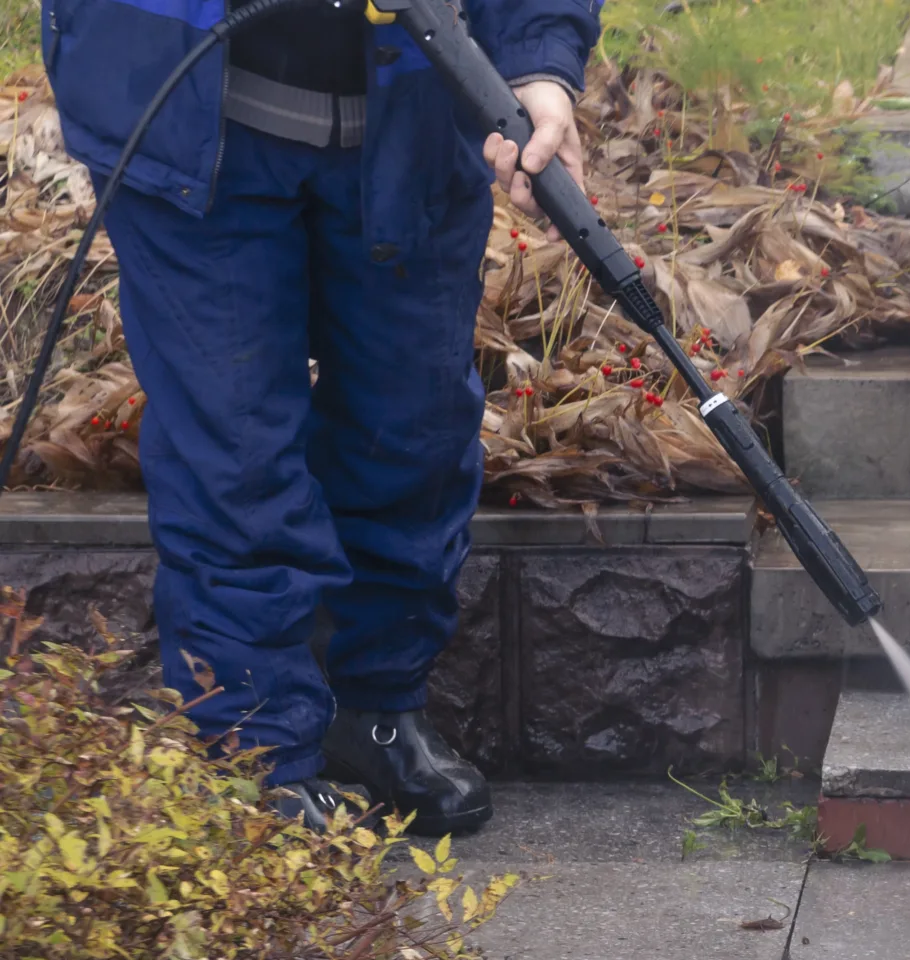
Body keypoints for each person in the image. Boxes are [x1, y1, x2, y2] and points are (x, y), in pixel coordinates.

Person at [40, 0, 598, 831]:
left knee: (412, 427)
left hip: (411, 105)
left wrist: (539, 71)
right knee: (235, 454)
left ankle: (375, 709)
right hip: (183, 97)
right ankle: (256, 754)